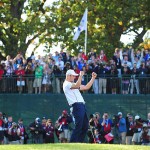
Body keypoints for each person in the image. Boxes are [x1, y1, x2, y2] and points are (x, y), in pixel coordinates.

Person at [63, 69, 97, 143]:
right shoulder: (66, 84)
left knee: (84, 126)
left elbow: (86, 87)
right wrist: (80, 76)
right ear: (68, 76)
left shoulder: (72, 84)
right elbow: (77, 85)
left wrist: (93, 78)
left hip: (81, 106)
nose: (74, 77)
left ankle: (79, 143)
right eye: (73, 76)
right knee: (79, 126)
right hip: (76, 106)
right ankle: (72, 143)